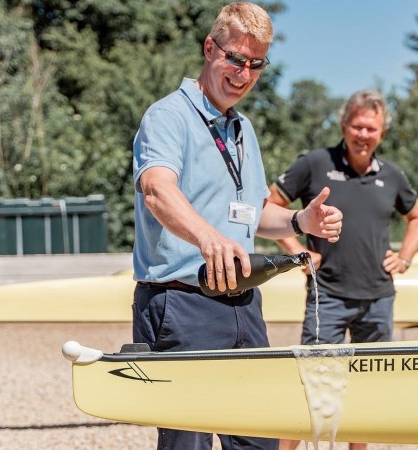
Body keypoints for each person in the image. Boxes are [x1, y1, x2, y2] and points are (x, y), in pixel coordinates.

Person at [131, 3, 342, 450]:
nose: (243, 74)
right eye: (235, 59)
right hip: (181, 303)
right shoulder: (169, 116)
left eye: (255, 64)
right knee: (187, 443)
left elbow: (248, 213)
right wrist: (207, 238)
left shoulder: (242, 128)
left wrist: (300, 220)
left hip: (244, 305)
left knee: (258, 440)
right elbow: (156, 190)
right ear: (210, 48)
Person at [268, 89, 418, 450]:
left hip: (378, 299)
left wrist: (404, 258)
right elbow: (270, 204)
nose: (363, 135)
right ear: (344, 126)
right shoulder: (314, 163)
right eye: (357, 126)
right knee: (311, 385)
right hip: (329, 296)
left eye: (371, 129)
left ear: (382, 133)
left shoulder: (392, 175)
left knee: (367, 393)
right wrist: (296, 251)